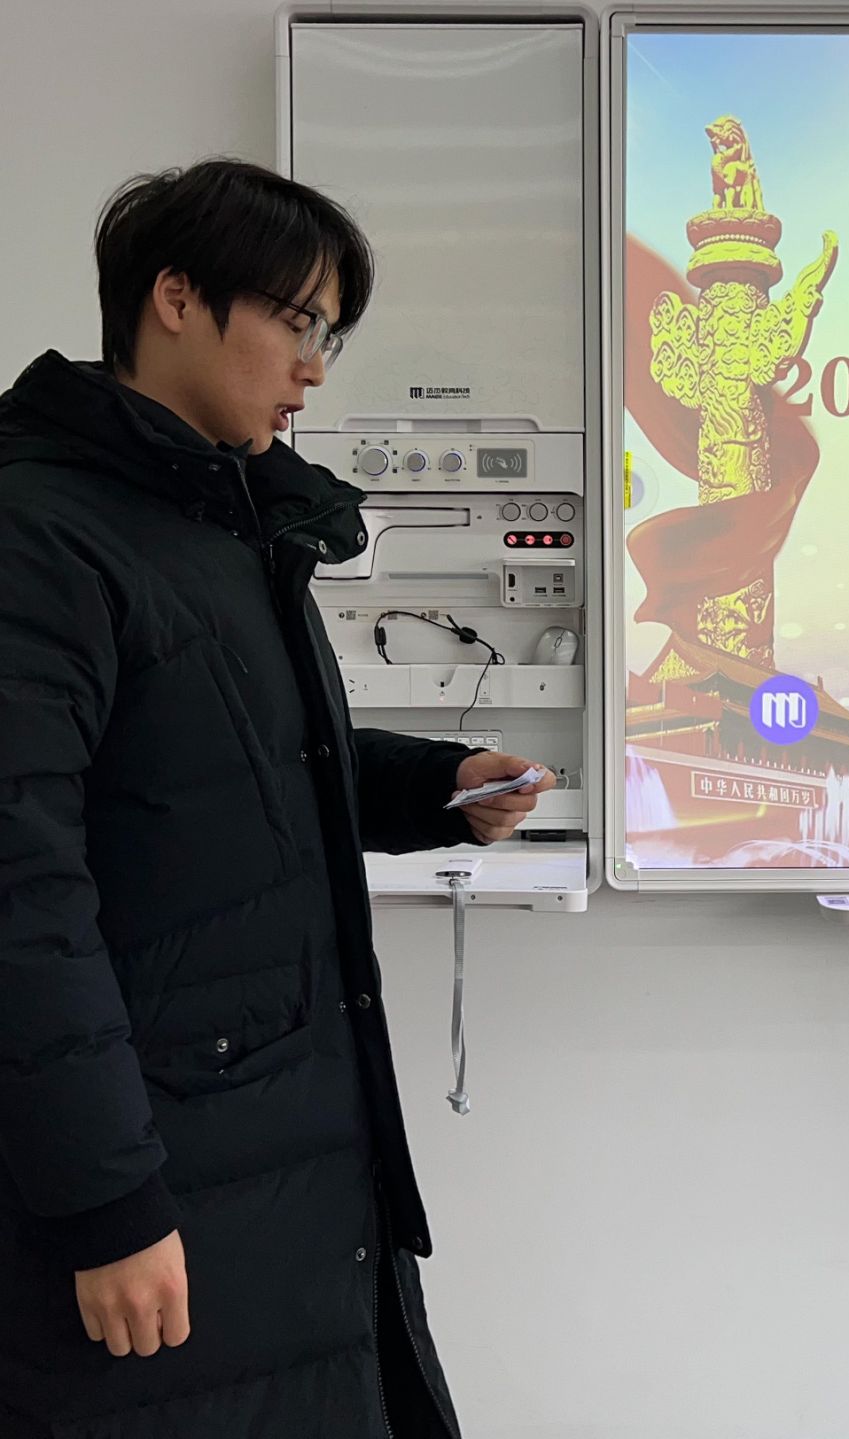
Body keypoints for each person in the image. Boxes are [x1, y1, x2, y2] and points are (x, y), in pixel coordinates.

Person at [0, 158, 552, 1437]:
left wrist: (435, 784)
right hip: (162, 1169)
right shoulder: (41, 532)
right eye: (298, 321)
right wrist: (106, 1203)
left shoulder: (223, 520)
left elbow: (239, 762)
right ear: (175, 298)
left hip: (282, 1152)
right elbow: (19, 892)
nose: (314, 366)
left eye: (329, 334)